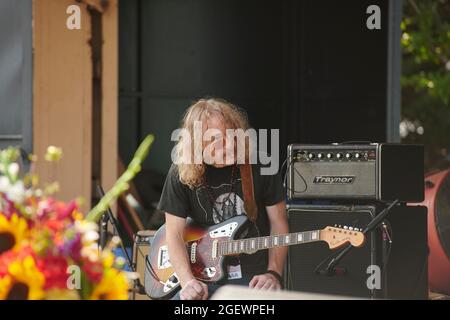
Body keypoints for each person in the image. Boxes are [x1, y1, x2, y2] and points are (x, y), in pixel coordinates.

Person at [157, 98, 288, 300]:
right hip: (200, 276)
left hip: (252, 277)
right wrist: (187, 282)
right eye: (215, 139)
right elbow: (173, 234)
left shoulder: (261, 165)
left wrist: (272, 273)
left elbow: (278, 223)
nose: (228, 145)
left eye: (231, 135)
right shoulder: (181, 172)